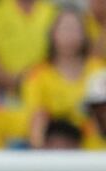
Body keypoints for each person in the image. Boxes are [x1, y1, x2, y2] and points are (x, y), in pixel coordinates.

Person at [20, 10, 104, 148]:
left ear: (84, 34)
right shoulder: (38, 75)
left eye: (75, 29)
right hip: (56, 142)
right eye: (65, 29)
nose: (70, 35)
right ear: (53, 34)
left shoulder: (98, 69)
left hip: (95, 142)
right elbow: (36, 118)